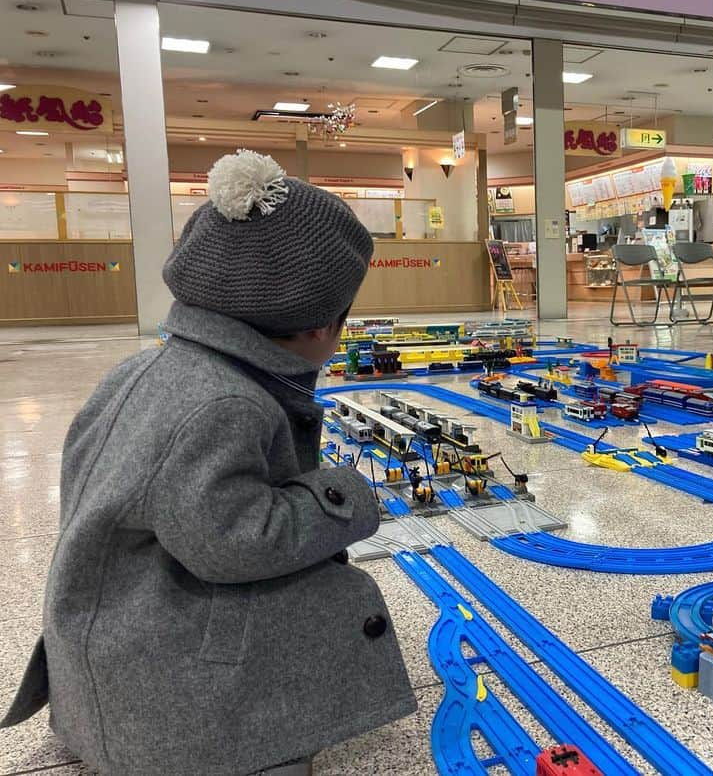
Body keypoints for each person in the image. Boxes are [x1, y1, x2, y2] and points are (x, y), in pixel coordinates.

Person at [1, 151, 416, 775]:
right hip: (156, 689)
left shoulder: (148, 369)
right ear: (319, 325)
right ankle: (236, 742)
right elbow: (234, 544)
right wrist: (344, 497)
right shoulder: (224, 403)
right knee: (326, 595)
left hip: (107, 635)